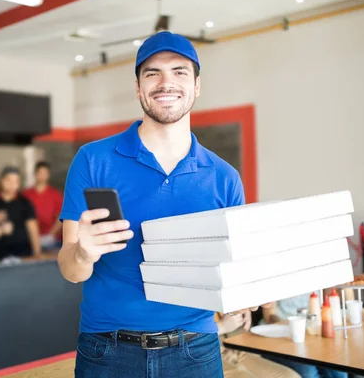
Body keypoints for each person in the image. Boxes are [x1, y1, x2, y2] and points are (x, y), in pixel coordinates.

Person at [57, 31, 263, 377]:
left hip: (195, 351)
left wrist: (248, 292)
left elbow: (234, 274)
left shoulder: (225, 177)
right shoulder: (93, 160)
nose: (166, 82)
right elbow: (71, 271)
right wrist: (82, 253)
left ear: (197, 86)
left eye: (180, 72)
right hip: (107, 350)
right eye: (152, 73)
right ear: (138, 87)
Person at [261, 295, 347, 378]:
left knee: (338, 371)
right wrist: (291, 326)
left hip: (311, 334)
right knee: (309, 373)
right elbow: (269, 316)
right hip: (280, 337)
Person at [217, 311, 300, 378]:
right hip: (209, 355)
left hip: (235, 347)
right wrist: (221, 327)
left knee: (291, 376)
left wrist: (244, 309)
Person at [0, 166, 42, 261]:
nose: (13, 185)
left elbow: (33, 229)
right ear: (2, 181)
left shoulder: (25, 203)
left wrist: (37, 253)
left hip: (22, 255)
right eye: (9, 181)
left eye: (16, 181)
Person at [22, 161, 64, 250]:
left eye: (45, 173)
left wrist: (50, 235)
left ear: (48, 175)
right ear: (35, 174)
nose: (42, 175)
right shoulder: (25, 194)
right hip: (29, 239)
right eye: (40, 173)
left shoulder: (55, 194)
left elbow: (61, 217)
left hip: (52, 240)